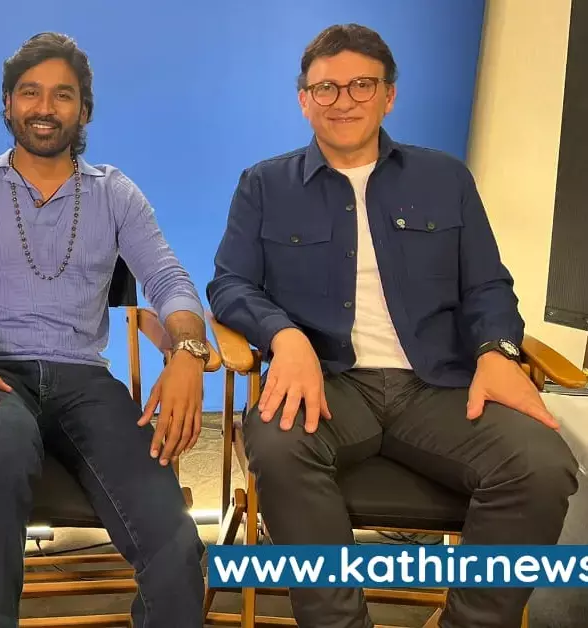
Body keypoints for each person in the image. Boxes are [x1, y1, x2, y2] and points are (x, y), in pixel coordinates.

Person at [207, 23, 579, 628]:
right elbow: (230, 285)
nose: (344, 100)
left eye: (362, 84)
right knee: (275, 446)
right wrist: (285, 336)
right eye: (326, 88)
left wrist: (497, 350)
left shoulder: (445, 178)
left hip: (439, 386)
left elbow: (487, 285)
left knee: (542, 465)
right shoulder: (264, 185)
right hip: (329, 383)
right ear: (304, 100)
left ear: (389, 95)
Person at [0, 32, 208, 628]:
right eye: (29, 92)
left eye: (62, 95)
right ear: (7, 104)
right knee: (4, 447)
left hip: (86, 382)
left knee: (175, 538)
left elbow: (170, 282)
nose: (44, 108)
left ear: (84, 110)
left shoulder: (116, 194)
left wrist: (186, 351)